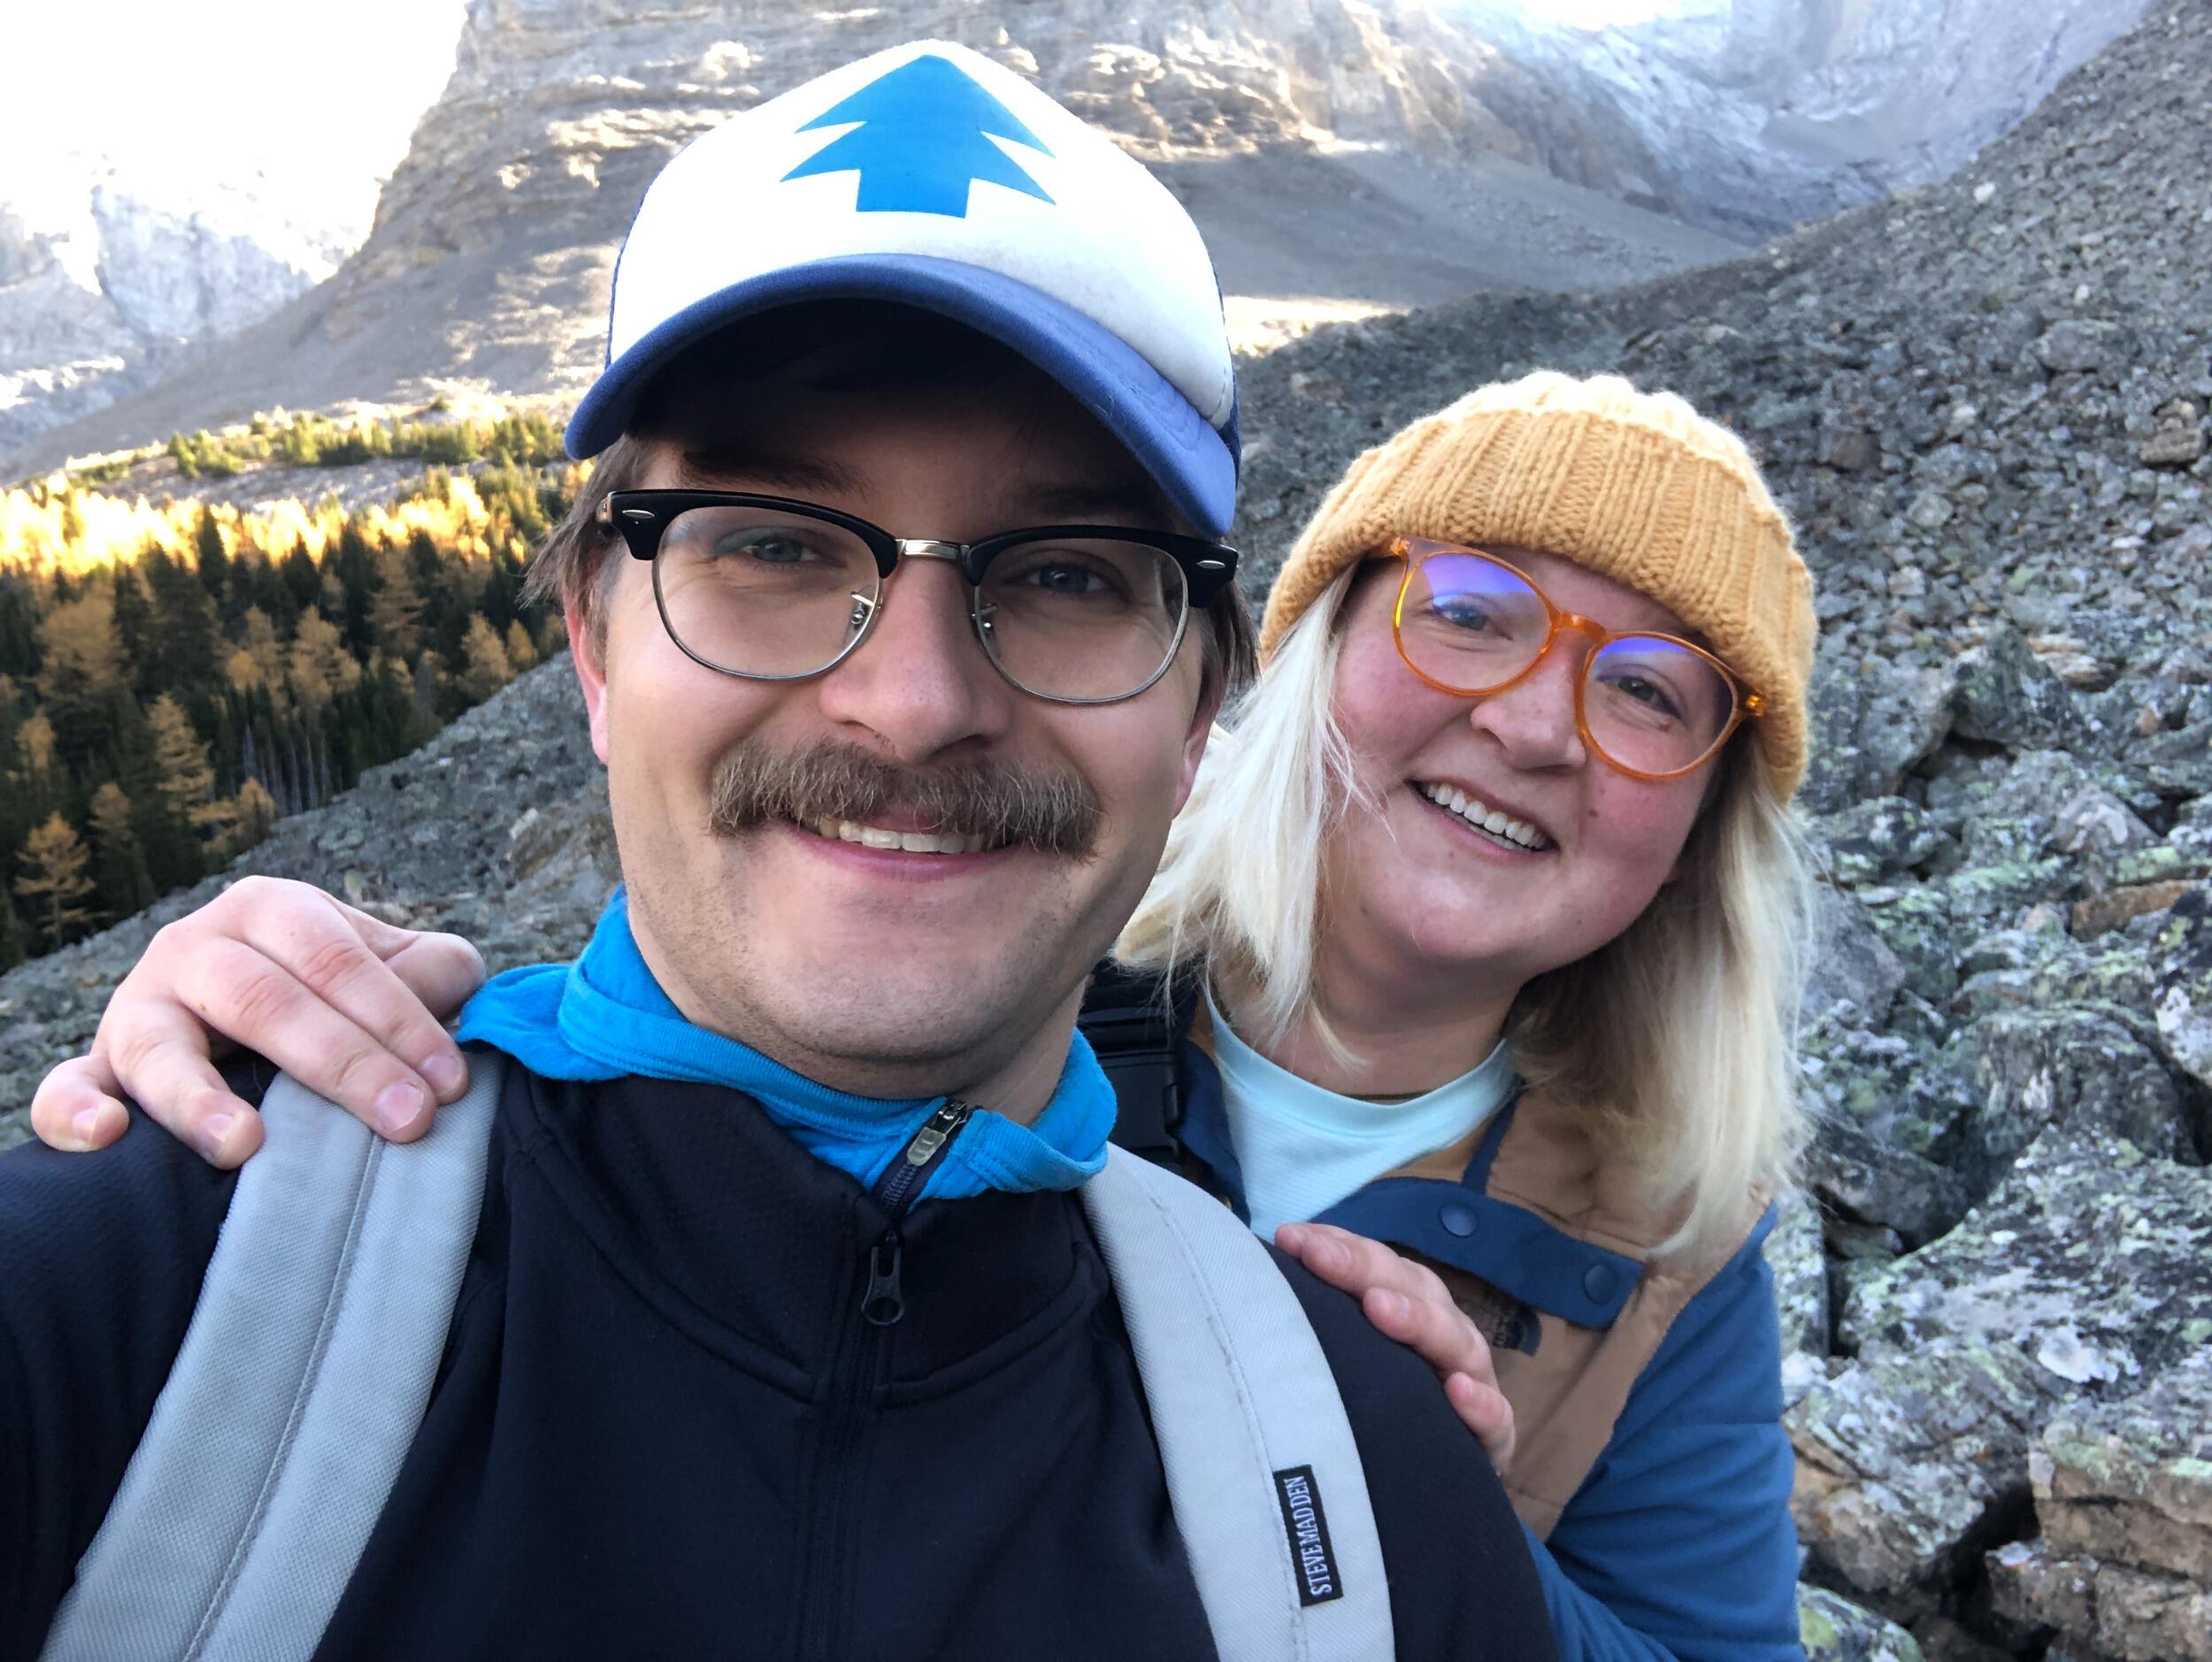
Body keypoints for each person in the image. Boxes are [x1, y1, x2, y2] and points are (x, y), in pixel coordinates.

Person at [0, 41, 1560, 1661]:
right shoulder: (128, 1302)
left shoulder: (1365, 1497)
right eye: (772, 545)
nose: (914, 701)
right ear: (595, 649)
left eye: (1071, 573)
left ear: (1196, 718)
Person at [39, 371, 1820, 1659]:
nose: (1530, 722)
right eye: (1470, 616)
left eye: (1650, 693)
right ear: (1294, 660)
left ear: (1700, 828)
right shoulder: (1001, 956)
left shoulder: (1669, 1224)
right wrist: (301, 1025)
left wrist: (1394, 1517)